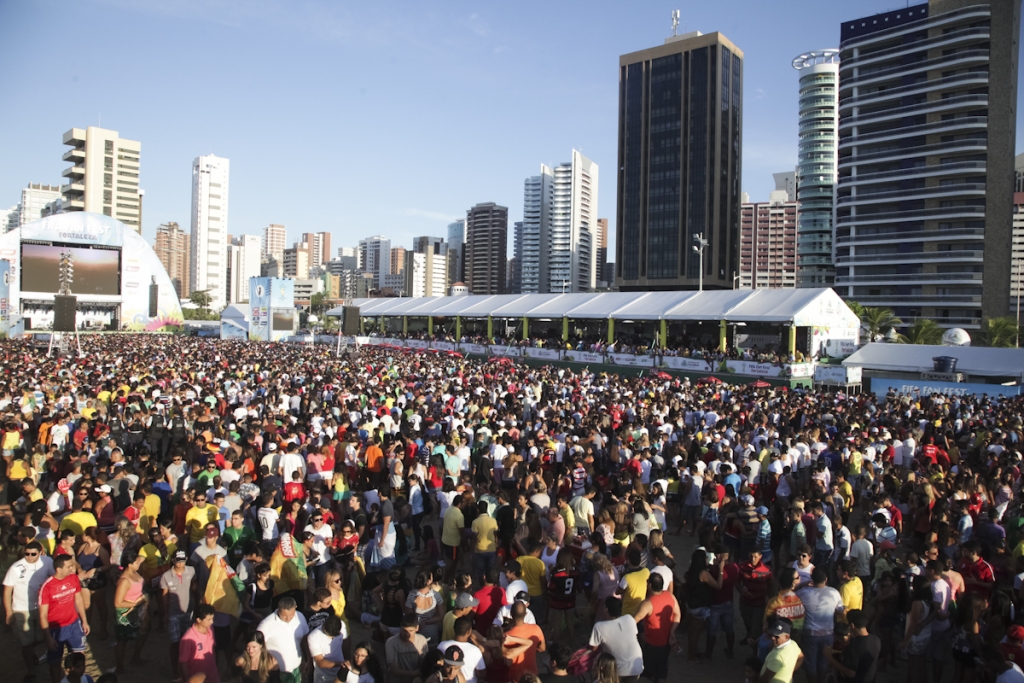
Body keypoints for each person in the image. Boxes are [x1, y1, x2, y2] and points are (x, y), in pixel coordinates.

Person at [4, 539, 54, 682]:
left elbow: (53, 578)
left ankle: (32, 653)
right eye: (27, 554)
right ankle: (30, 670)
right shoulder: (16, 567)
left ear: (40, 552)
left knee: (42, 637)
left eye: (33, 554)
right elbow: (7, 591)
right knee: (26, 643)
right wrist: (9, 613)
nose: (29, 557)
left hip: (41, 607)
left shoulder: (47, 562)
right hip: (21, 609)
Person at [38, 554, 90, 683]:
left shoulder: (73, 578)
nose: (72, 569)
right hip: (56, 629)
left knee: (80, 656)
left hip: (74, 624)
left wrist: (84, 621)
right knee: (55, 661)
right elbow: (43, 615)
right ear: (58, 569)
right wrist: (48, 637)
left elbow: (78, 599)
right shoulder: (47, 587)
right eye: (69, 566)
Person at [797, 567, 845, 683]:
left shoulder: (803, 593)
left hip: (809, 635)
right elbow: (841, 610)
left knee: (810, 664)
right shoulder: (834, 592)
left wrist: (802, 584)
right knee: (824, 663)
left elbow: (792, 592)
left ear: (812, 578)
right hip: (828, 634)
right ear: (826, 579)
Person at [632, 573, 681, 683]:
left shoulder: (647, 604)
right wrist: (672, 631)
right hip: (667, 641)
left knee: (649, 671)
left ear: (649, 585)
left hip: (652, 643)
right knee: (662, 668)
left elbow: (633, 621)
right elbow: (678, 614)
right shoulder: (670, 596)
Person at [589, 597, 644, 683]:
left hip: (617, 670)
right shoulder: (629, 618)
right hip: (637, 666)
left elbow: (593, 648)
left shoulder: (599, 626)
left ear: (606, 609)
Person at [161, 549, 198, 676]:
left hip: (188, 611)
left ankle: (187, 667)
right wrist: (165, 613)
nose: (181, 564)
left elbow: (194, 587)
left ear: (186, 560)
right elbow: (164, 596)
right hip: (174, 614)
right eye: (178, 561)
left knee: (187, 642)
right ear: (173, 561)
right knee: (175, 643)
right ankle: (176, 672)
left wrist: (197, 602)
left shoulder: (191, 571)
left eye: (183, 561)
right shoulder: (166, 576)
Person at [112, 548, 149, 675]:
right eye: (136, 562)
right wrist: (137, 604)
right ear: (130, 564)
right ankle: (120, 667)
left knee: (144, 631)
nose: (139, 563)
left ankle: (135, 657)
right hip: (126, 612)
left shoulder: (134, 573)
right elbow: (118, 603)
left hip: (137, 610)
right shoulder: (124, 580)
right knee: (123, 640)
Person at [257, 597, 309, 683]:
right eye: (284, 616)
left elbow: (304, 639)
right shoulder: (266, 625)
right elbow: (256, 645)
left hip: (296, 669)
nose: (288, 619)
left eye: (291, 615)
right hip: (276, 673)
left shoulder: (300, 617)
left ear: (295, 608)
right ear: (278, 609)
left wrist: (308, 659)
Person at [824, 609, 880, 683]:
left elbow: (850, 673)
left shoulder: (854, 646)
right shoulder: (876, 639)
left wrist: (830, 658)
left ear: (852, 625)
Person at [437, 616, 487, 683]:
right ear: (469, 632)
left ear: (454, 629)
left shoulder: (441, 645)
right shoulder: (475, 651)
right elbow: (482, 675)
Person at [179, 604, 219, 683]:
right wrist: (187, 681)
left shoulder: (211, 629)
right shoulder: (188, 639)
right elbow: (183, 662)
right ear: (198, 620)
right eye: (209, 619)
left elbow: (213, 651)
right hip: (197, 679)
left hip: (213, 676)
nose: (212, 622)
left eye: (212, 618)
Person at [386, 613, 429, 683]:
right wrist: (415, 673)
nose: (407, 634)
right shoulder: (391, 642)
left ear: (417, 628)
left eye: (411, 631)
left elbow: (424, 663)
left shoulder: (422, 640)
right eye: (404, 630)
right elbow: (394, 670)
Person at [758, 619, 804, 683]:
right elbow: (801, 657)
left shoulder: (777, 656)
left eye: (776, 636)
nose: (773, 638)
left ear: (787, 637)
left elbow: (765, 679)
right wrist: (789, 671)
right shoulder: (793, 644)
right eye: (772, 634)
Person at [307, 614, 347, 683]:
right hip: (323, 677)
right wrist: (340, 663)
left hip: (340, 674)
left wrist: (347, 660)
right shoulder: (313, 637)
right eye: (329, 636)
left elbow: (346, 643)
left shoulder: (342, 625)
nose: (332, 638)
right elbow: (320, 662)